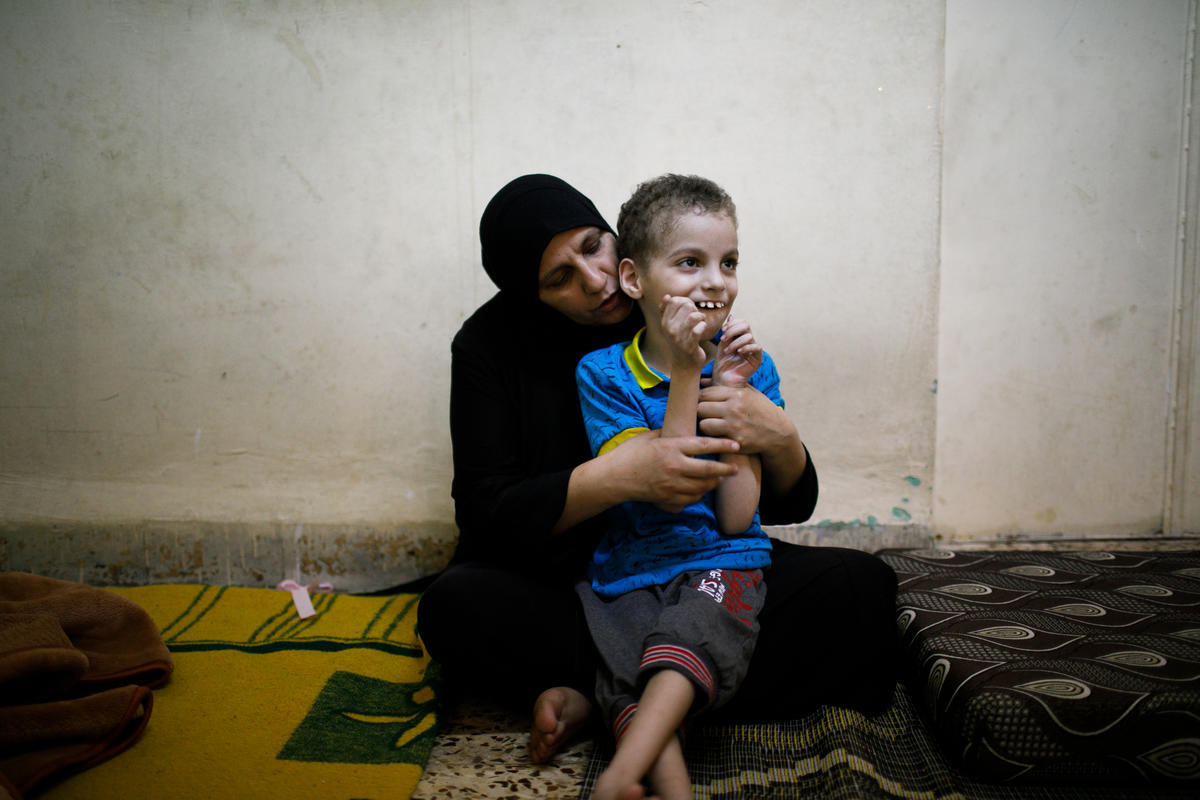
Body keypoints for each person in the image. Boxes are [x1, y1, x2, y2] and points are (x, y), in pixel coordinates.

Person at [416, 173, 898, 766]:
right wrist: (619, 477)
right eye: (559, 278)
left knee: (863, 591)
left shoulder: (666, 301)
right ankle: (659, 686)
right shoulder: (488, 348)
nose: (595, 282)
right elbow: (487, 513)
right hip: (570, 581)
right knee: (452, 607)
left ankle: (609, 698)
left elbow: (772, 507)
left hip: (693, 553)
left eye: (595, 246)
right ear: (528, 294)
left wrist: (778, 436)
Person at [575, 174, 777, 799]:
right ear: (635, 280)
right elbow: (669, 483)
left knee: (689, 639)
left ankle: (621, 778)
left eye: (729, 262)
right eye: (690, 263)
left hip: (725, 560)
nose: (715, 281)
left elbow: (738, 518)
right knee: (626, 677)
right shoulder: (603, 374)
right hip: (627, 568)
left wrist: (734, 389)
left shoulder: (751, 369)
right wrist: (690, 373)